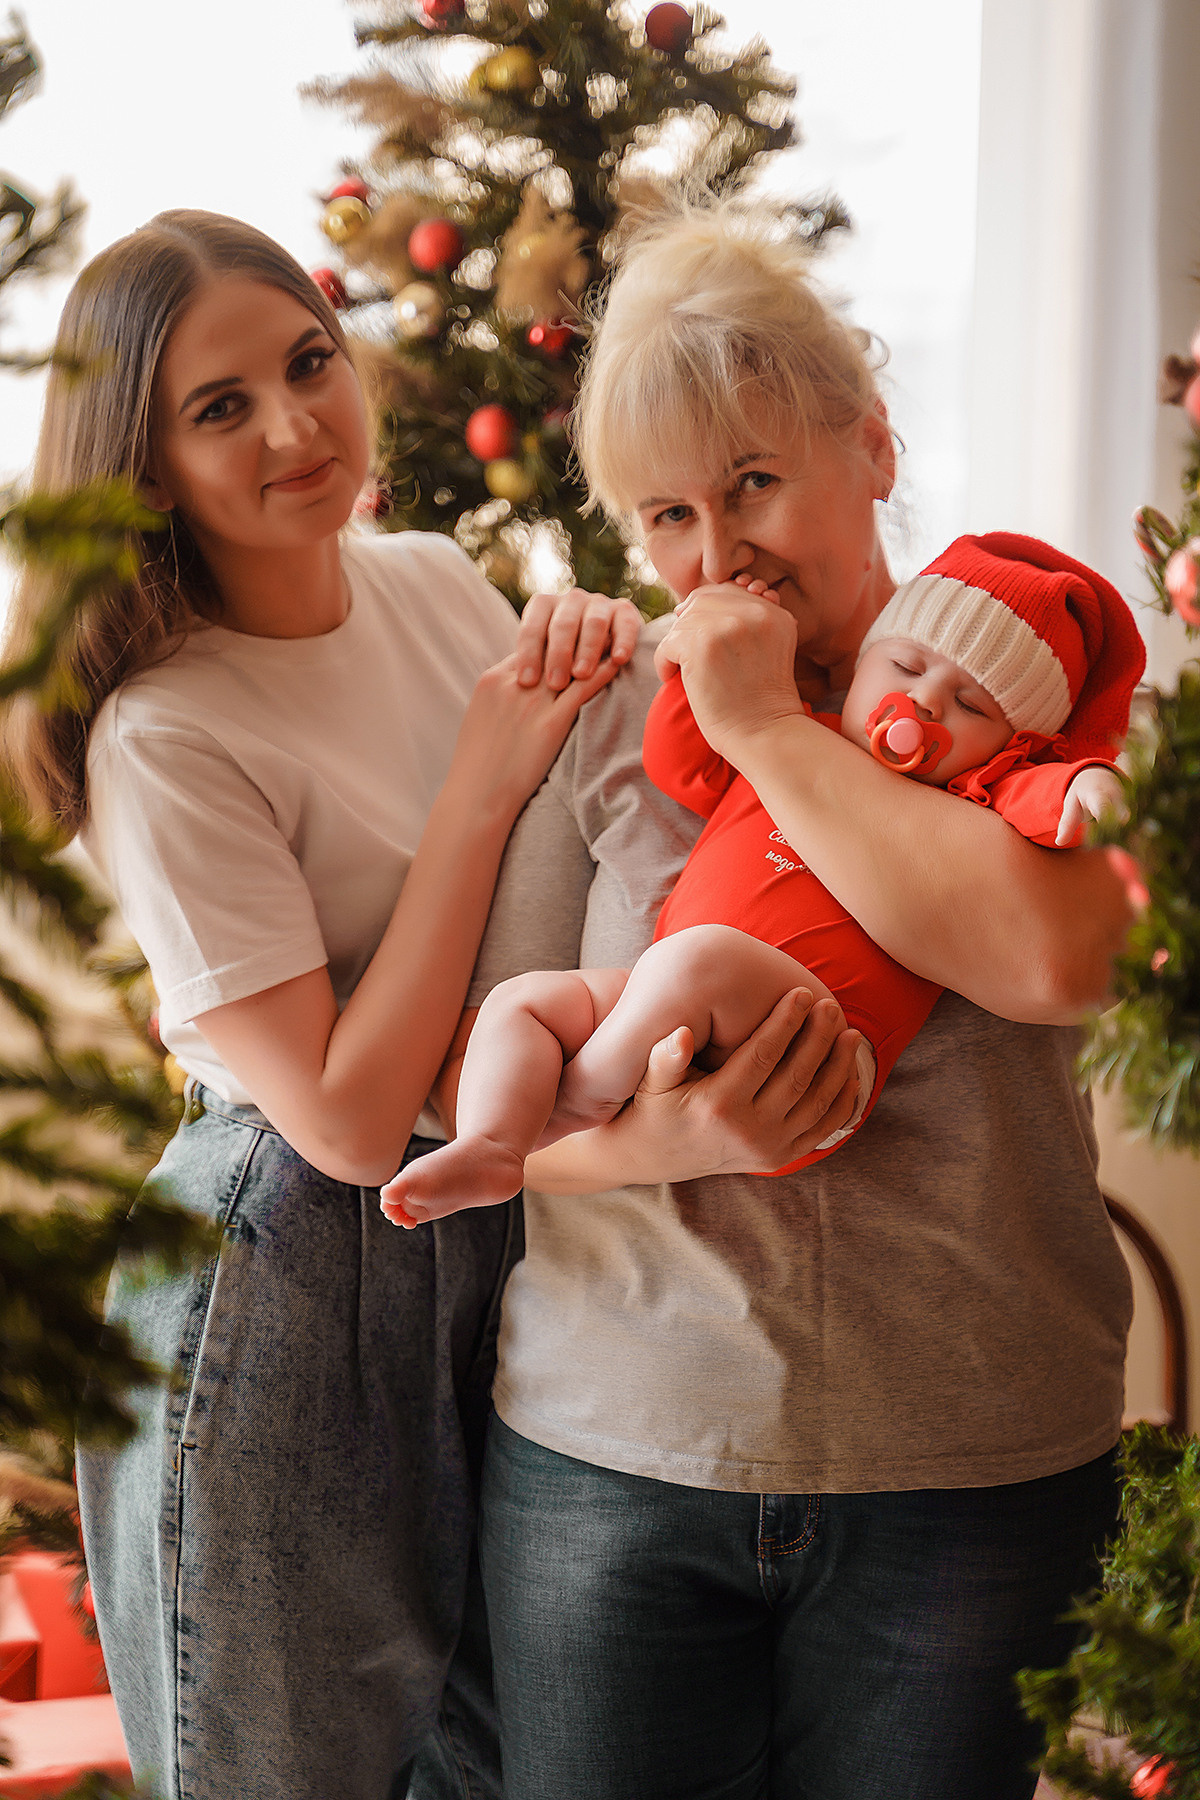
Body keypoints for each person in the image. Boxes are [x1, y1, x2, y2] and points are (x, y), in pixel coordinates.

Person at [451, 195, 1140, 1800]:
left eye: (756, 480)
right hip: (615, 1458)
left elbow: (1055, 959)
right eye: (669, 518)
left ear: (874, 448)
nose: (721, 554)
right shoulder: (600, 709)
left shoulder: (1025, 683)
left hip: (972, 1463)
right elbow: (476, 1092)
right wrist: (652, 1145)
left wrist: (767, 729)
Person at [0, 209, 652, 1800]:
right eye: (220, 408)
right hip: (284, 1264)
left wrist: (617, 655)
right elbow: (349, 1122)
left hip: (503, 1235)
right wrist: (483, 784)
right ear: (141, 468)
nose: (297, 428)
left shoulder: (433, 582)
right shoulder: (164, 736)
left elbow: (577, 865)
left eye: (308, 364)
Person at [380, 533, 1142, 1223]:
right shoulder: (792, 725)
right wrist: (687, 675)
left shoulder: (973, 794)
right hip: (673, 1008)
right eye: (906, 666)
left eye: (970, 703)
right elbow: (681, 760)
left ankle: (578, 1100)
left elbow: (1047, 801)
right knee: (526, 1003)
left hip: (816, 1057)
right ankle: (496, 1145)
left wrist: (1087, 789)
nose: (923, 700)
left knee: (695, 959)